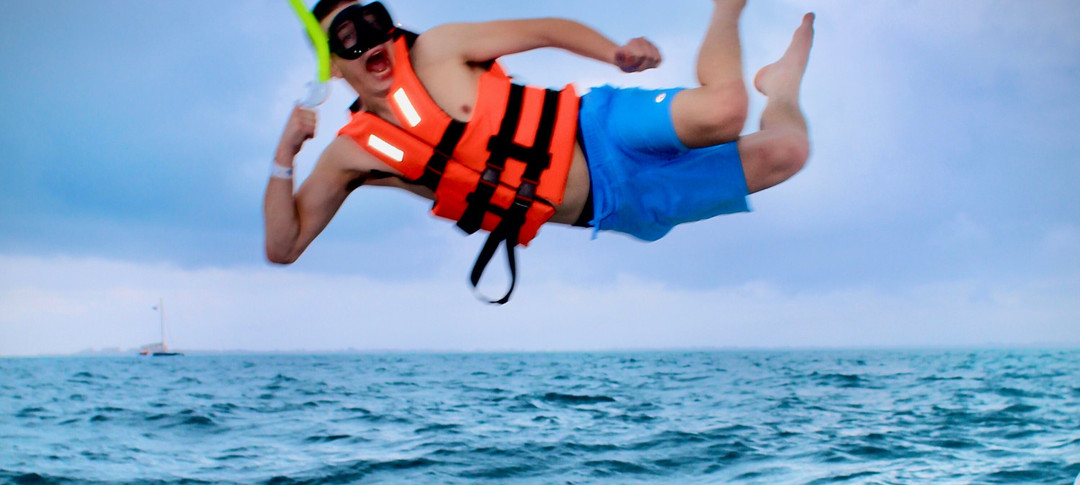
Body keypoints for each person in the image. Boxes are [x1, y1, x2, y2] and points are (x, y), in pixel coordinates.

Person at [264, 1, 814, 302]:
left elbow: (544, 29)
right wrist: (285, 156)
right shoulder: (352, 156)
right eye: (349, 37)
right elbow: (283, 247)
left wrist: (614, 53)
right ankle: (782, 86)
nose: (371, 39)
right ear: (334, 65)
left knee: (725, 111)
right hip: (615, 204)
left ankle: (726, 10)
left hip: (597, 127)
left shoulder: (438, 50)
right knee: (788, 151)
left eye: (375, 22)